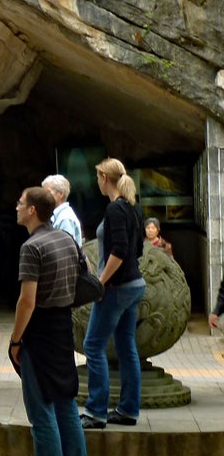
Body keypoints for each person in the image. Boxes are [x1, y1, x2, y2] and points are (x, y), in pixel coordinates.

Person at [9, 187, 89, 456]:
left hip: (39, 332)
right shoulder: (65, 239)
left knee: (41, 412)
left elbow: (27, 301)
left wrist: (15, 339)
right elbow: (85, 276)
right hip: (62, 328)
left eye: (20, 202)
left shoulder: (32, 246)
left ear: (32, 211)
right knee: (67, 406)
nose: (16, 206)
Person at [81, 158, 146, 430]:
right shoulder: (133, 208)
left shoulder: (115, 209)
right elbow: (138, 249)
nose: (97, 182)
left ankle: (96, 411)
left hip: (116, 288)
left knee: (92, 346)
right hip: (134, 284)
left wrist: (100, 282)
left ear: (104, 178)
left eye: (98, 177)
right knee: (126, 346)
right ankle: (129, 409)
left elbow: (118, 251)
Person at [42, 174, 83, 246]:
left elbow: (65, 249)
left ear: (61, 194)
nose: (44, 196)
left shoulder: (65, 218)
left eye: (47, 192)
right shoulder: (57, 216)